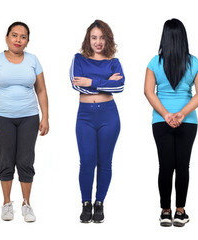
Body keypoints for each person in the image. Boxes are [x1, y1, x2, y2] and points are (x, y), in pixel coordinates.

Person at [0, 21, 49, 223]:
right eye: (14, 35)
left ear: (27, 41)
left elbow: (42, 90)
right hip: (2, 117)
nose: (18, 39)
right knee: (6, 159)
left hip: (29, 116)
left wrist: (45, 116)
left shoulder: (33, 60)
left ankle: (26, 204)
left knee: (26, 160)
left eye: (23, 36)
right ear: (7, 37)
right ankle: (7, 203)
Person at [144, 18, 198, 227]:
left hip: (160, 121)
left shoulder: (155, 62)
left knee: (165, 165)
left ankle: (165, 211)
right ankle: (180, 212)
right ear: (183, 38)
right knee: (182, 166)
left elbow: (148, 92)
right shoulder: (194, 62)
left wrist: (166, 114)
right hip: (188, 122)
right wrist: (181, 113)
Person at [69, 20, 124, 223]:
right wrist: (106, 83)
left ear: (107, 39)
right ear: (88, 39)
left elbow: (119, 87)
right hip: (85, 116)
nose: (98, 42)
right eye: (94, 37)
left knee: (105, 161)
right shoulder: (79, 59)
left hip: (109, 115)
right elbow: (77, 86)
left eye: (102, 37)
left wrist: (92, 81)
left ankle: (99, 203)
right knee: (87, 161)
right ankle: (86, 203)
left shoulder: (113, 62)